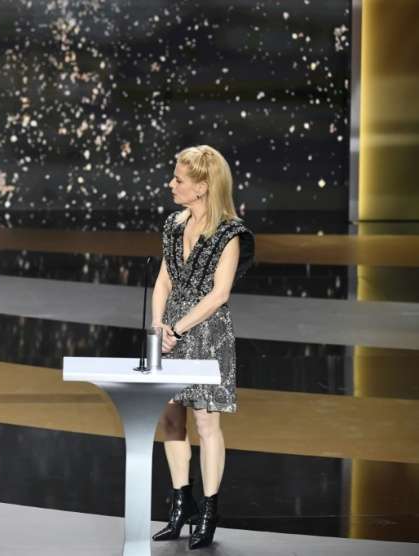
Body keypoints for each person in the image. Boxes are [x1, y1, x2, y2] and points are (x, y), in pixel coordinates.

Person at [150, 145, 255, 549]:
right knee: (171, 420)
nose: (171, 184)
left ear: (202, 186)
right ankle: (181, 506)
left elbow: (219, 294)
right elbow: (164, 280)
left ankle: (209, 512)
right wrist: (159, 325)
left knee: (207, 424)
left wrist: (177, 328)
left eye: (179, 179)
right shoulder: (173, 225)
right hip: (170, 332)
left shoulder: (229, 233)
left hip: (208, 334)